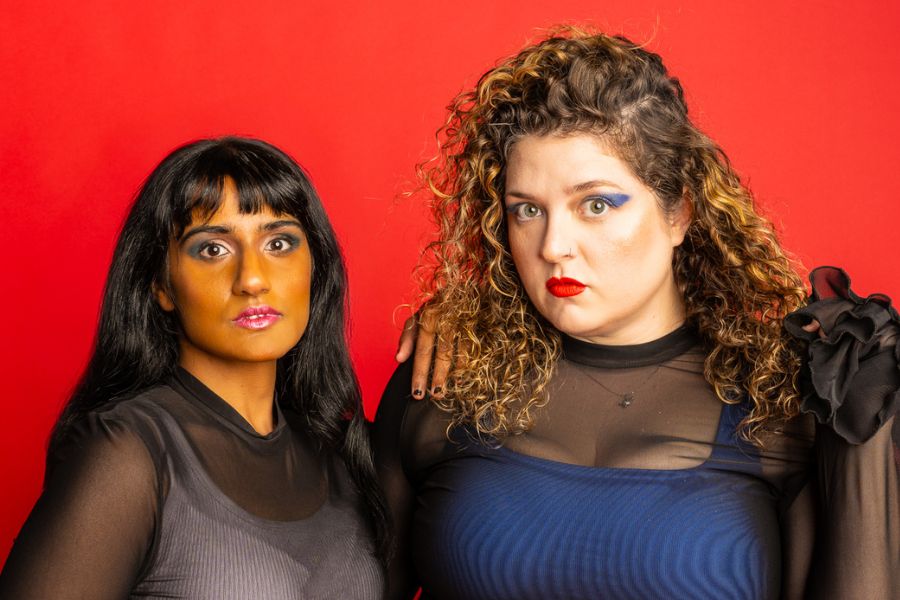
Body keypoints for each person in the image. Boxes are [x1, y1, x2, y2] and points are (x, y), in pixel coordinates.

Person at [375, 29, 899, 599]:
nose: (554, 246)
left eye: (595, 204)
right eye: (527, 210)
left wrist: (862, 422)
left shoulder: (779, 402)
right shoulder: (443, 378)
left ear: (679, 213)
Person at [0, 137, 387, 599]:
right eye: (212, 250)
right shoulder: (129, 454)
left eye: (279, 242)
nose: (253, 279)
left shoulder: (344, 455)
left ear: (315, 268)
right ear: (161, 286)